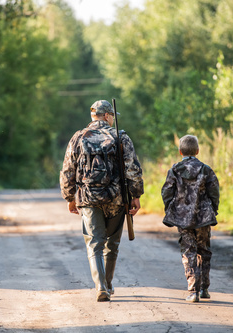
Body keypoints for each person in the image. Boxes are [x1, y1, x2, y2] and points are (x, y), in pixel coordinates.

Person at [60, 100, 144, 302]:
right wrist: (135, 195)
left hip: (88, 197)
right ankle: (107, 283)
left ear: (93, 116)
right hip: (116, 198)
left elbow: (68, 170)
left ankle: (101, 287)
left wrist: (70, 197)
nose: (113, 118)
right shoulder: (120, 137)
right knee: (112, 243)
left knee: (94, 243)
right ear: (107, 115)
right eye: (112, 115)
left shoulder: (78, 137)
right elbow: (132, 169)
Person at [161, 135, 220, 302]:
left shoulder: (174, 170)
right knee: (204, 250)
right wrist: (213, 209)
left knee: (188, 252)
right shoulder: (206, 169)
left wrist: (170, 209)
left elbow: (166, 192)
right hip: (204, 217)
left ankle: (193, 291)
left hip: (183, 218)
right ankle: (204, 289)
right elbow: (214, 192)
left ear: (180, 152)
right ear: (198, 151)